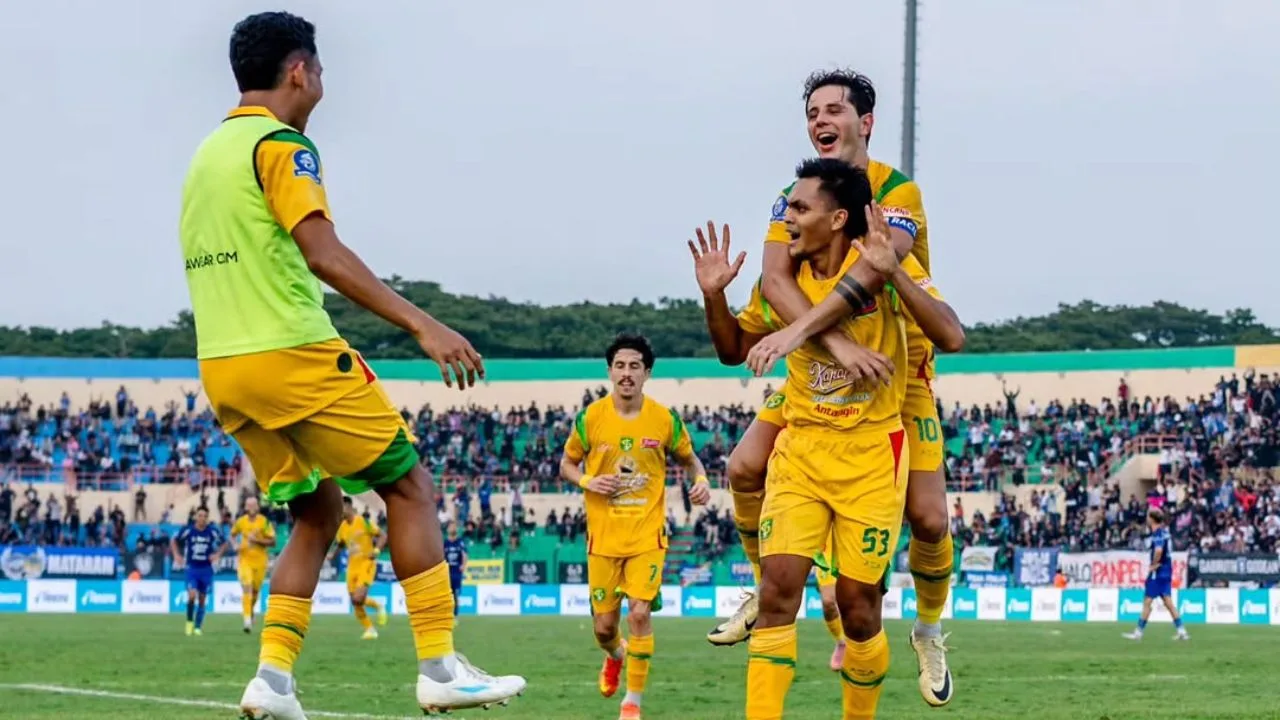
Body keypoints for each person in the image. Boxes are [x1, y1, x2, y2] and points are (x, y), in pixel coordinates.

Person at [178, 11, 524, 718]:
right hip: (291, 352)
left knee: (319, 508)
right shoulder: (280, 145)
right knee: (410, 486)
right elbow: (323, 253)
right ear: (298, 70)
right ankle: (440, 667)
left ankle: (272, 681)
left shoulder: (206, 156)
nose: (322, 84)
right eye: (321, 70)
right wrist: (423, 323)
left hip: (223, 367)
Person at [709, 68, 959, 708]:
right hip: (820, 369)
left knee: (930, 519)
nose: (820, 120)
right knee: (743, 466)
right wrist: (831, 344)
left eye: (833, 110)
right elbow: (773, 279)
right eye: (812, 112)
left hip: (897, 373)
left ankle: (929, 631)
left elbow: (875, 267)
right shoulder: (795, 197)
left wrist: (805, 334)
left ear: (865, 122)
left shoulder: (896, 192)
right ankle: (767, 585)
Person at [559, 333, 712, 720]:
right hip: (603, 539)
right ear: (610, 371)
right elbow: (566, 464)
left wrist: (700, 480)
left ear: (647, 373)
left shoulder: (664, 419)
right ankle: (616, 654)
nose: (627, 373)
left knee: (640, 614)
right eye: (620, 366)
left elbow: (691, 460)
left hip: (647, 535)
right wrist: (587, 481)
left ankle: (632, 703)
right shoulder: (590, 418)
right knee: (604, 628)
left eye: (635, 366)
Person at [1122, 509, 1190, 641]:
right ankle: (1182, 630)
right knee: (1168, 602)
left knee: (1147, 601)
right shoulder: (1165, 533)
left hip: (1158, 572)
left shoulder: (1158, 534)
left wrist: (1153, 565)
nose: (1146, 519)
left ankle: (1138, 632)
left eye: (1148, 517)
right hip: (1167, 571)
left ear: (1152, 519)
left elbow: (1158, 550)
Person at [329, 497, 388, 639]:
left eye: (341, 507)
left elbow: (383, 535)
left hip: (366, 563)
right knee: (355, 601)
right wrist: (332, 556)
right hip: (352, 567)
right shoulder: (342, 527)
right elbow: (341, 545)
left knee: (358, 597)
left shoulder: (363, 521)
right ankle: (370, 630)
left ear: (349, 506)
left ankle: (378, 606)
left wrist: (376, 551)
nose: (339, 511)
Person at [171, 506, 228, 637]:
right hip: (192, 568)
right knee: (191, 595)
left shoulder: (212, 531)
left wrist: (218, 555)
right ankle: (189, 622)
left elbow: (225, 543)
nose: (202, 518)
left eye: (205, 516)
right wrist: (176, 555)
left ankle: (197, 627)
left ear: (207, 518)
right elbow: (174, 540)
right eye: (200, 515)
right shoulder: (188, 530)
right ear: (196, 517)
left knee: (202, 599)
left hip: (206, 569)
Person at [230, 495, 276, 633]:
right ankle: (247, 621)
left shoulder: (264, 522)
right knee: (247, 587)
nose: (251, 507)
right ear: (245, 507)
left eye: (254, 505)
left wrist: (256, 541)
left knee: (255, 592)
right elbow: (232, 535)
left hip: (260, 561)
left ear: (258, 507)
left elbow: (273, 542)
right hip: (244, 560)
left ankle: (250, 612)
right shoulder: (241, 522)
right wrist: (235, 545)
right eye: (249, 505)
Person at [443, 522, 468, 617]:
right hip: (447, 571)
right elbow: (441, 557)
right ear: (447, 529)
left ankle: (455, 614)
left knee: (455, 593)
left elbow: (464, 554)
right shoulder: (445, 543)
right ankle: (446, 613)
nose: (453, 528)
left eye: (454, 526)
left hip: (456, 571)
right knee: (447, 593)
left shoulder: (460, 542)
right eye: (451, 527)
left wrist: (463, 565)